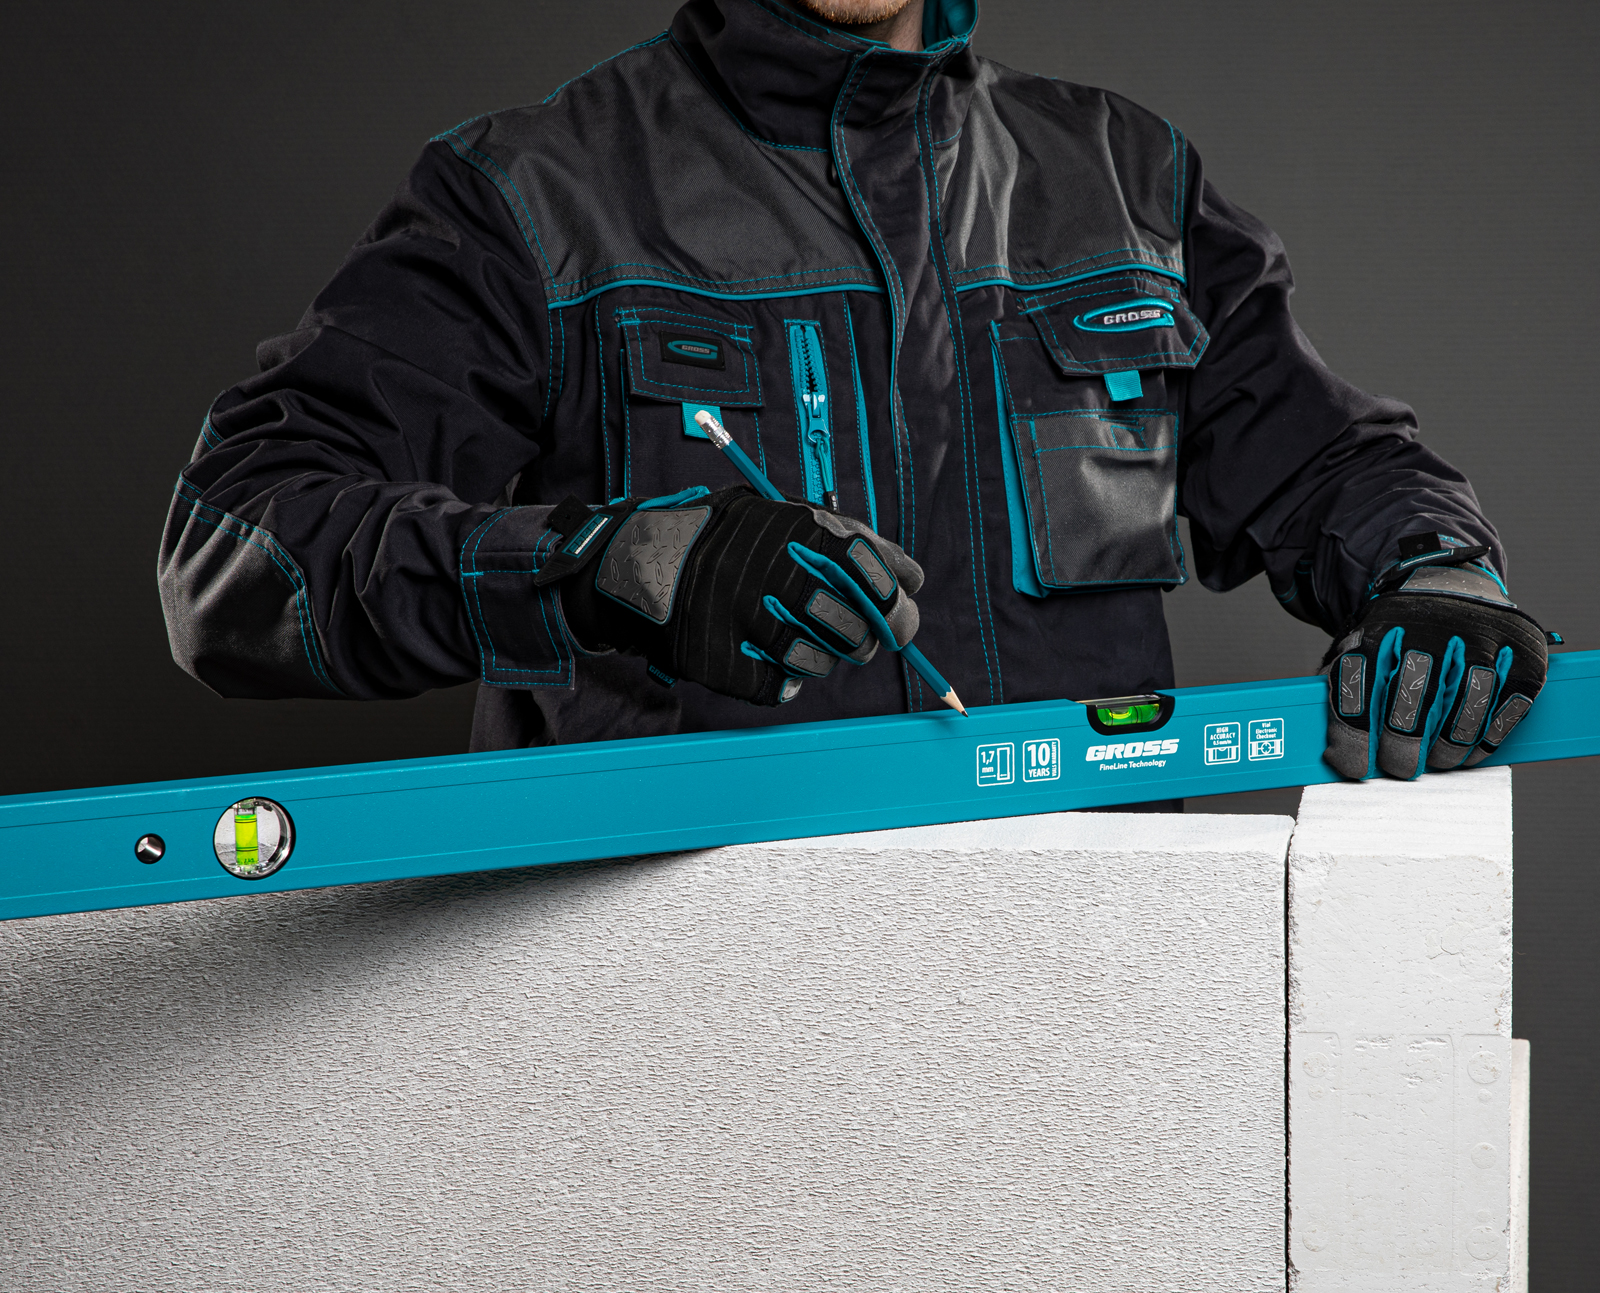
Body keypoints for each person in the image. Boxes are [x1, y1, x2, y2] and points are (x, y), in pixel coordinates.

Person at [158, 0, 1549, 783]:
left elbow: (1329, 469)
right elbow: (235, 552)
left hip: (1085, 994)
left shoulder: (1124, 180)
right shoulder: (530, 198)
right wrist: (604, 567)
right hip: (669, 1023)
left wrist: (1438, 571)